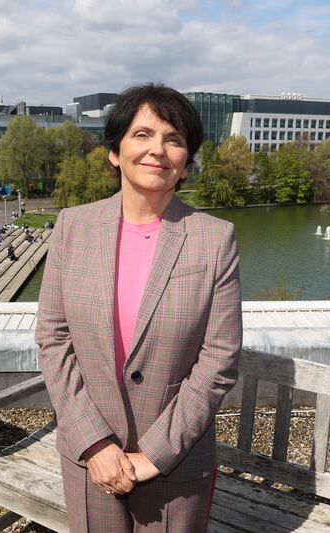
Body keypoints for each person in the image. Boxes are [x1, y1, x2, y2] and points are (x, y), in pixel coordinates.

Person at [35, 83, 242, 533]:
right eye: (142, 135)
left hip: (176, 463)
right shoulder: (73, 228)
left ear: (186, 160)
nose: (158, 150)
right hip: (90, 458)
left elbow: (219, 359)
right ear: (115, 151)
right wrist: (94, 442)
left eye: (174, 139)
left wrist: (154, 455)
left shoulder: (214, 238)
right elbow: (53, 340)